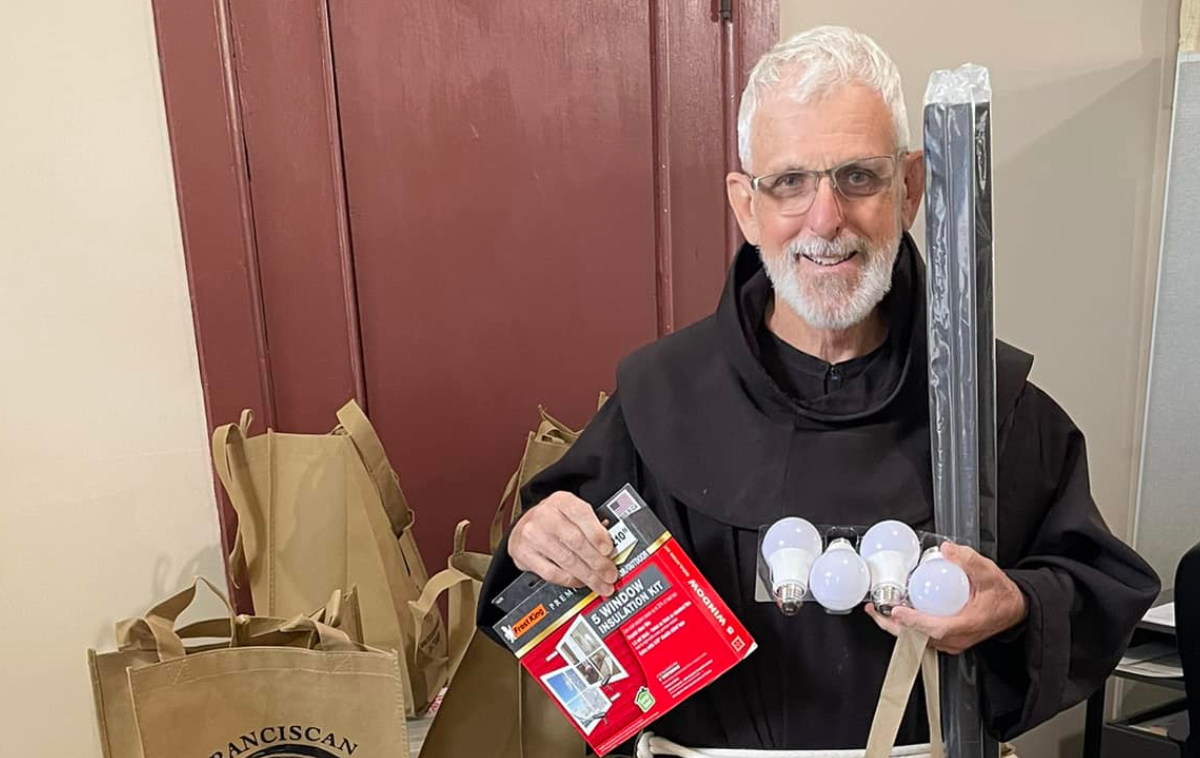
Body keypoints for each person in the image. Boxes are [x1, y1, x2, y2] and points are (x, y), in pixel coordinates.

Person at [478, 25, 1160, 753]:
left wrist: (1019, 604)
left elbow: (1096, 590)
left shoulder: (989, 404)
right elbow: (545, 589)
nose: (826, 219)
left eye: (858, 177)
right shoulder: (661, 397)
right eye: (790, 182)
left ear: (910, 188)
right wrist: (536, 539)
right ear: (746, 205)